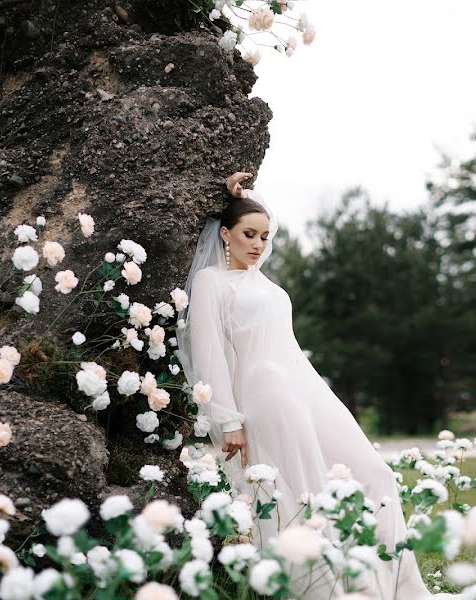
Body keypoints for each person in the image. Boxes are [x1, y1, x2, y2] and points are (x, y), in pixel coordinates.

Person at [175, 172, 434, 599]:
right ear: (225, 235)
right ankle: (327, 589)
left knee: (376, 475)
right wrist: (228, 420)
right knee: (305, 489)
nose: (258, 244)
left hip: (305, 386)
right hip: (265, 396)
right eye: (248, 234)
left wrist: (246, 196)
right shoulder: (211, 282)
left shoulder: (263, 283)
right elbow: (209, 355)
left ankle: (392, 587)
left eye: (264, 235)